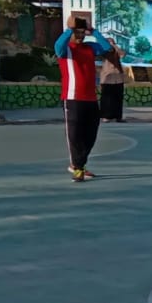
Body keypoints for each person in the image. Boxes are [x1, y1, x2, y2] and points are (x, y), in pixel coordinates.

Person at [54, 15, 117, 182]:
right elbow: (57, 45)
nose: (81, 36)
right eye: (78, 32)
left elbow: (106, 48)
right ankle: (78, 168)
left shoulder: (90, 48)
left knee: (91, 136)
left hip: (90, 99)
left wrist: (94, 31)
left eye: (83, 33)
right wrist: (70, 29)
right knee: (75, 137)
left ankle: (78, 164)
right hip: (73, 98)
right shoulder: (65, 49)